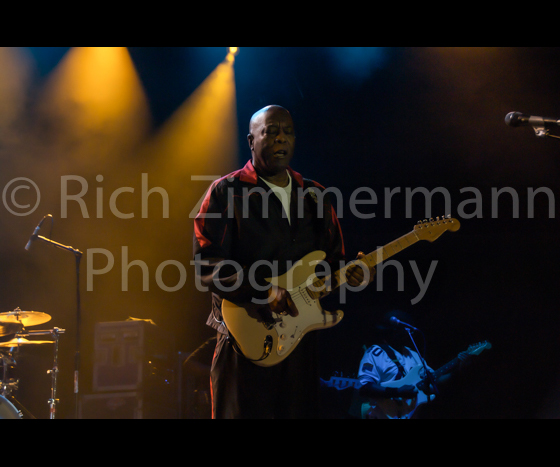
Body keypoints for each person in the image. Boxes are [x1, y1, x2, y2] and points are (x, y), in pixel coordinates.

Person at [193, 105, 374, 419]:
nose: (281, 138)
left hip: (299, 346)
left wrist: (354, 275)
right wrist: (262, 290)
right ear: (252, 140)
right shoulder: (226, 192)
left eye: (288, 132)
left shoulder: (316, 196)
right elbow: (207, 263)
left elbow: (332, 264)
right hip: (244, 341)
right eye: (271, 131)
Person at [357, 310, 464, 419]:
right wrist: (397, 392)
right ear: (394, 332)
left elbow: (434, 380)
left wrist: (457, 369)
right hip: (385, 415)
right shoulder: (375, 353)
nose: (409, 334)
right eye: (405, 331)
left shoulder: (413, 354)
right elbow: (365, 388)